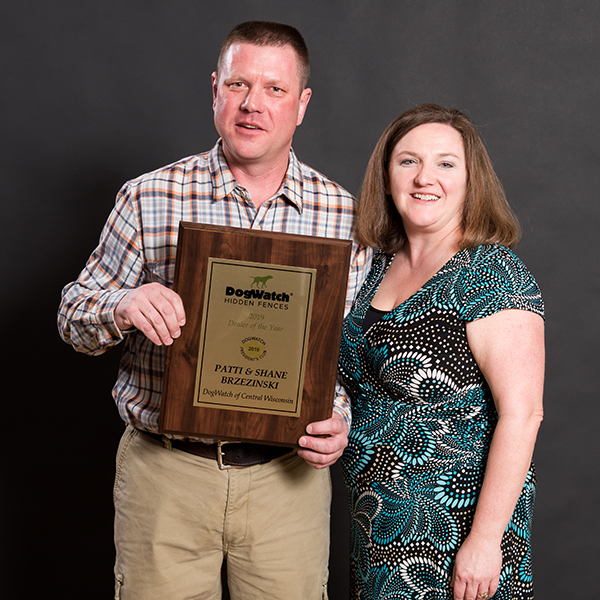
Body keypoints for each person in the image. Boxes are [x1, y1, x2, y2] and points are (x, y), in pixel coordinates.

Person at [57, 21, 371, 600]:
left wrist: (340, 421)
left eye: (275, 90)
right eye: (238, 85)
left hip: (289, 483)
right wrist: (123, 304)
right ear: (215, 90)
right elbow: (73, 315)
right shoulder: (148, 196)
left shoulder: (346, 217)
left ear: (301, 104)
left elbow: (348, 357)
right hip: (166, 475)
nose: (253, 105)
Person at [338, 104, 544, 600]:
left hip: (454, 534)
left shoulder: (490, 275)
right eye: (408, 161)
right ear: (386, 178)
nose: (425, 177)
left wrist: (485, 542)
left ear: (471, 181)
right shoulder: (371, 268)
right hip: (377, 527)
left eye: (446, 163)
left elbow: (523, 413)